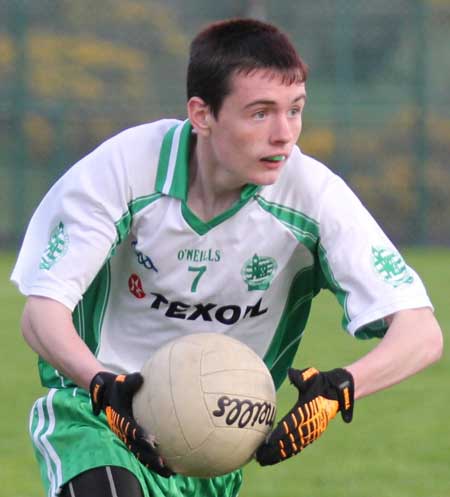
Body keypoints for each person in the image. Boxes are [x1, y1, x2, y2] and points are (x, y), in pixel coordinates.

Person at [11, 17, 442, 497]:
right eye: (260, 113)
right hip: (97, 421)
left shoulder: (313, 198)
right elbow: (41, 314)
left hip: (216, 446)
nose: (284, 134)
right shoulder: (125, 170)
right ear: (201, 114)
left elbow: (421, 333)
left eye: (295, 110)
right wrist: (101, 385)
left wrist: (338, 388)